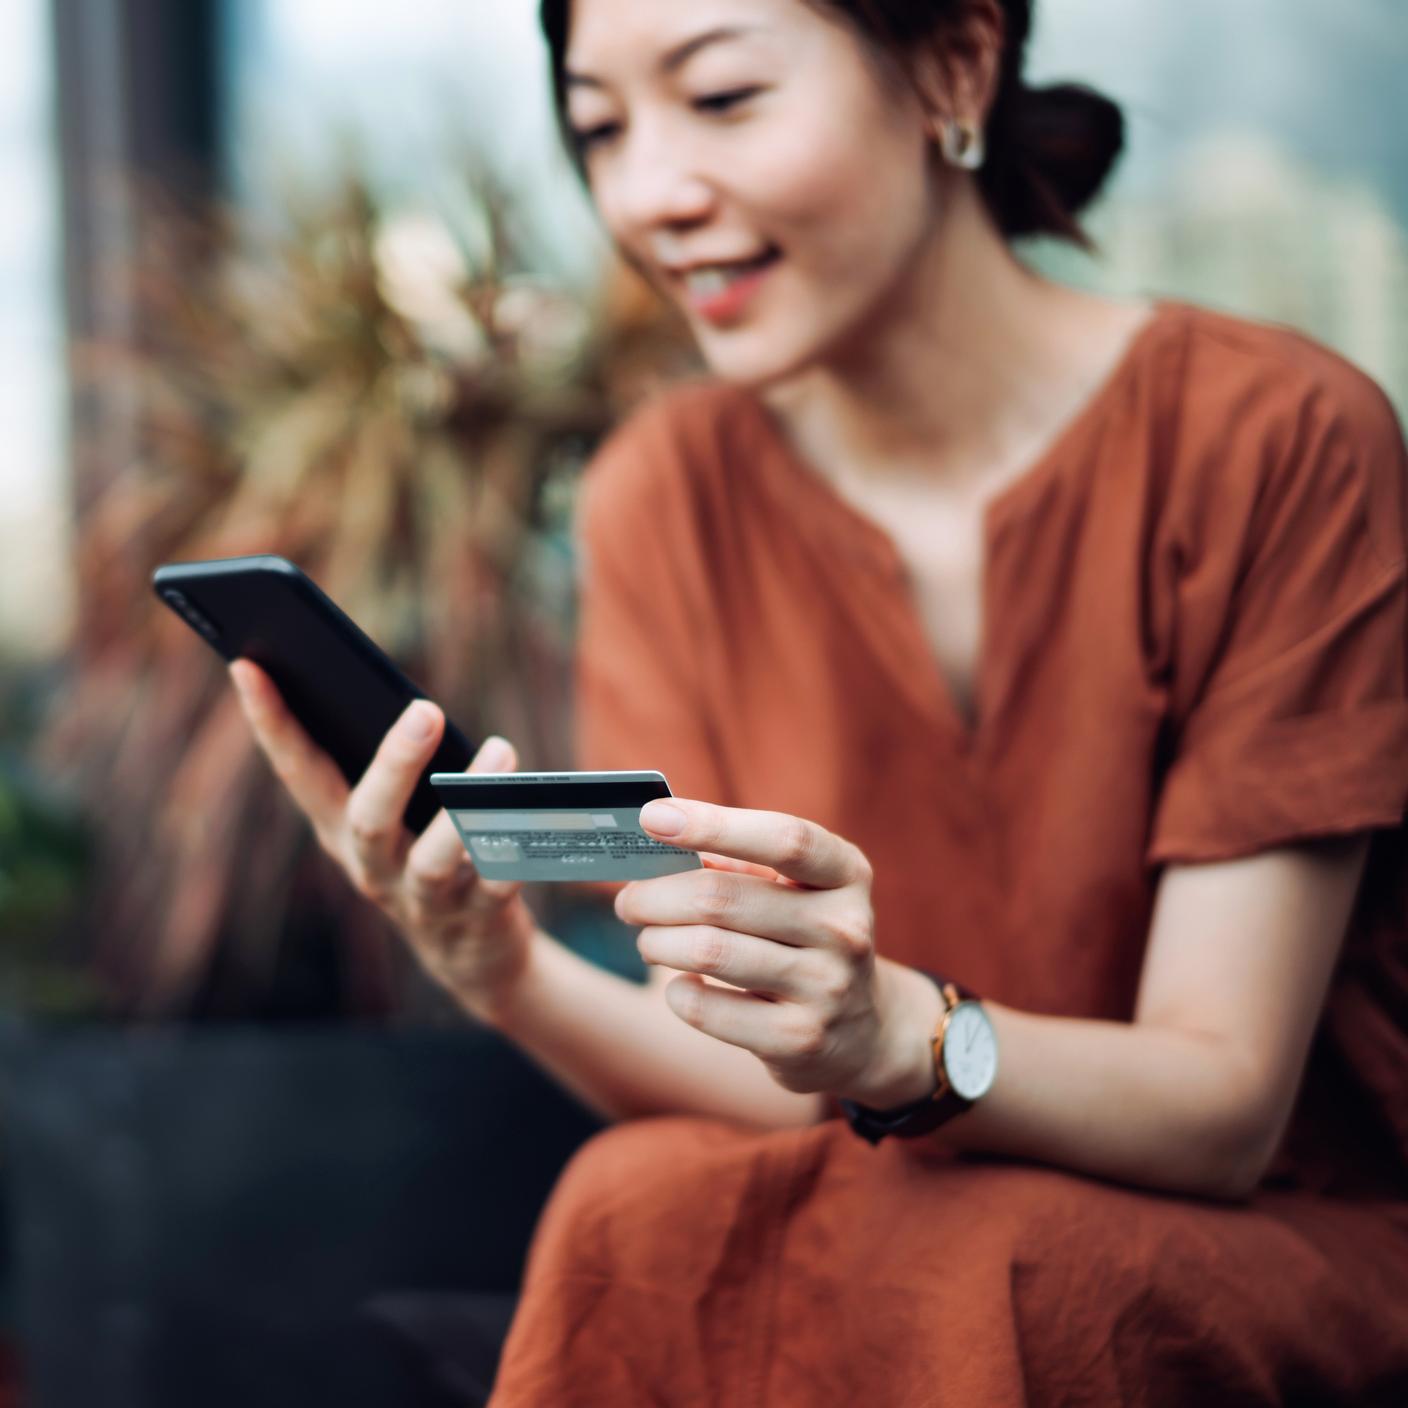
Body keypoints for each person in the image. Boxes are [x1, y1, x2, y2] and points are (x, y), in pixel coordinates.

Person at [230, 0, 1408, 1401]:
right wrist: (504, 976)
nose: (651, 193)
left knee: (1007, 1268)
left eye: (721, 98)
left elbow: (1222, 1106)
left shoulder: (1275, 439)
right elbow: (780, 1070)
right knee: (636, 1205)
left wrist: (893, 1037)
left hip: (1270, 1224)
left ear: (958, 66)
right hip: (903, 1194)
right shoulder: (662, 498)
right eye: (602, 126)